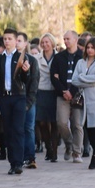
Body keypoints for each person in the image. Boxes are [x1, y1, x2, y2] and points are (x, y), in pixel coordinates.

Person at [0, 28, 33, 175]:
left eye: (10, 39)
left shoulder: (22, 57)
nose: (7, 41)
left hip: (18, 96)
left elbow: (25, 80)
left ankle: (18, 163)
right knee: (8, 130)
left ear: (16, 40)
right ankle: (12, 162)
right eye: (5, 39)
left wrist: (25, 71)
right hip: (4, 97)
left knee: (18, 129)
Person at [71, 37, 95, 170]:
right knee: (87, 127)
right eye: (88, 47)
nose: (90, 50)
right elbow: (74, 80)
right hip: (83, 99)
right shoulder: (81, 63)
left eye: (92, 47)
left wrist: (82, 78)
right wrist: (85, 79)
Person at [51, 31, 84, 163]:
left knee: (77, 124)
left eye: (68, 39)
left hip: (78, 94)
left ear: (76, 39)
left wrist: (72, 90)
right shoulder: (59, 57)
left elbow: (82, 75)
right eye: (64, 39)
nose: (66, 41)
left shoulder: (82, 56)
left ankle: (77, 152)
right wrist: (63, 91)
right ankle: (69, 143)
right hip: (62, 94)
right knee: (61, 122)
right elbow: (53, 76)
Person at [17, 32, 39, 169]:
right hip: (14, 99)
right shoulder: (7, 59)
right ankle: (18, 157)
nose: (17, 43)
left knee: (29, 128)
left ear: (26, 43)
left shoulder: (32, 60)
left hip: (28, 100)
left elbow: (34, 83)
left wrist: (29, 102)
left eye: (20, 40)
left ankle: (30, 157)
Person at [36, 33, 59, 162]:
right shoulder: (36, 58)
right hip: (42, 91)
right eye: (42, 42)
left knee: (55, 122)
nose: (45, 44)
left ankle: (54, 151)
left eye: (47, 42)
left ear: (52, 42)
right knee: (42, 122)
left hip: (55, 91)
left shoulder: (58, 56)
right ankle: (48, 147)